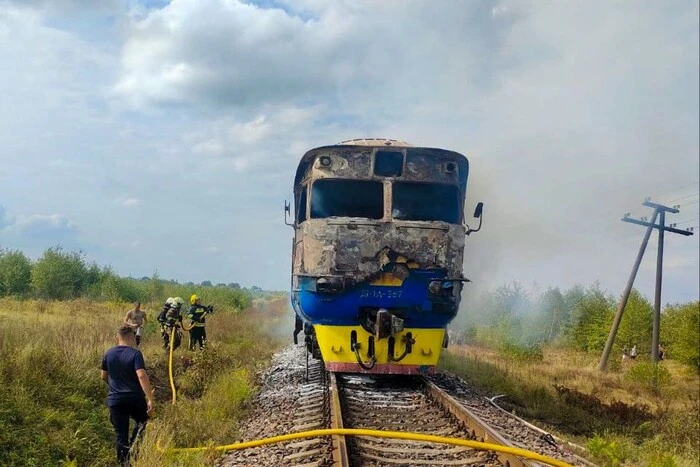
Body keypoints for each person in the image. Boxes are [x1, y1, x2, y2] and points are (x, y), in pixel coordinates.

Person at [101, 325, 154, 466]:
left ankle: (124, 463)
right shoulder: (135, 354)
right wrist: (150, 398)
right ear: (132, 338)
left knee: (120, 435)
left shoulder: (108, 353)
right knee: (142, 422)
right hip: (135, 398)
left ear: (117, 337)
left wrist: (114, 387)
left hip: (116, 400)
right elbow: (141, 375)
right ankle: (135, 448)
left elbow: (103, 376)